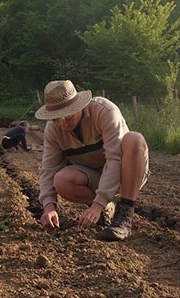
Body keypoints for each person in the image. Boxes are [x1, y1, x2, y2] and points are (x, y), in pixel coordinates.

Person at [35, 80, 149, 241]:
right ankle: (104, 212)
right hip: (93, 177)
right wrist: (49, 207)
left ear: (79, 106)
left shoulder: (105, 111)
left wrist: (98, 203)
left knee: (134, 139)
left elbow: (115, 160)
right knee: (61, 179)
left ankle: (124, 215)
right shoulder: (53, 130)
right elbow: (48, 168)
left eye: (68, 115)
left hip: (126, 175)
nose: (64, 123)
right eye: (57, 119)